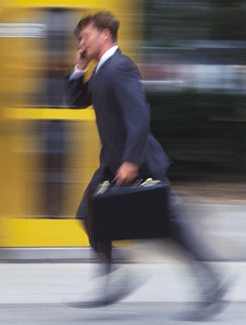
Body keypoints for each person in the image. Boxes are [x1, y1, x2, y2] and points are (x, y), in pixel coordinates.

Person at [66, 11, 230, 320]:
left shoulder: (120, 67)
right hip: (113, 163)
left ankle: (213, 284)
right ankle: (115, 276)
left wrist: (130, 160)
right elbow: (76, 101)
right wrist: (78, 67)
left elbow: (139, 116)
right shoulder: (101, 70)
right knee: (88, 214)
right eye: (79, 39)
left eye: (85, 37)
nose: (81, 43)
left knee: (171, 230)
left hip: (138, 162)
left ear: (105, 35)